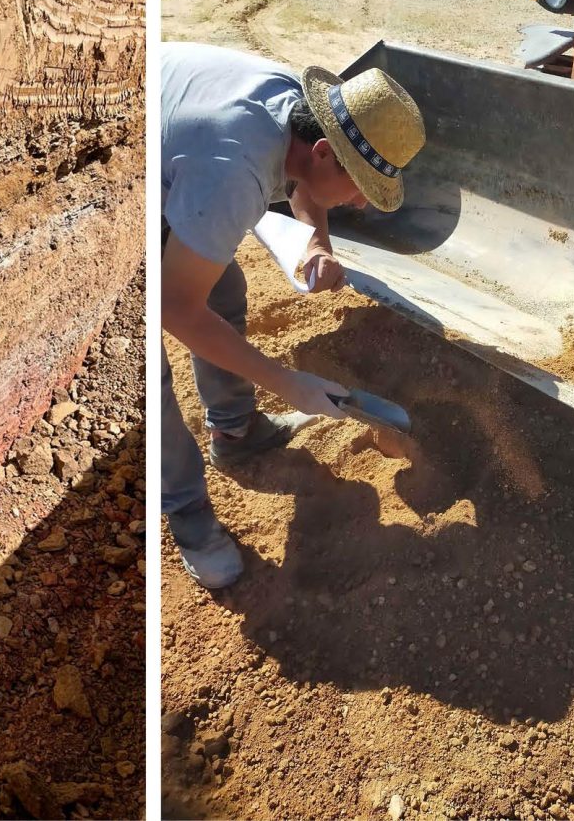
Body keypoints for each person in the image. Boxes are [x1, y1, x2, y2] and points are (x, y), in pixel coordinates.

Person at [158, 41, 424, 589]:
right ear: (327, 150)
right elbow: (174, 307)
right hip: (133, 164)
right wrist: (286, 382)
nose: (362, 204)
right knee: (153, 370)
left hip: (181, 144)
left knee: (221, 283)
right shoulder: (234, 171)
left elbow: (310, 184)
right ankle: (189, 516)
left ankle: (236, 433)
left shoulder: (300, 113)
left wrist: (317, 245)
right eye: (360, 187)